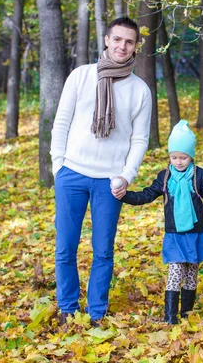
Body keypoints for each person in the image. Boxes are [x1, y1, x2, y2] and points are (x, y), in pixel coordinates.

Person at [50, 17, 153, 327]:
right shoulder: (81, 77)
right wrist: (58, 167)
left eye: (130, 41)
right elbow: (61, 123)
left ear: (136, 46)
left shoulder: (140, 91)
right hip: (72, 174)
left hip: (110, 182)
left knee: (103, 251)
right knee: (65, 248)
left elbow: (139, 140)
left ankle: (96, 313)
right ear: (107, 39)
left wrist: (126, 176)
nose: (123, 46)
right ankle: (67, 309)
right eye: (118, 39)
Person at [121, 120, 203, 324]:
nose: (178, 162)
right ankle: (170, 317)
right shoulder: (165, 176)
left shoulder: (200, 176)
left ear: (191, 156)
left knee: (191, 273)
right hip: (175, 235)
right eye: (174, 157)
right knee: (175, 271)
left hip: (195, 233)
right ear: (169, 156)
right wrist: (125, 196)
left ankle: (187, 312)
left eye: (183, 157)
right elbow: (147, 195)